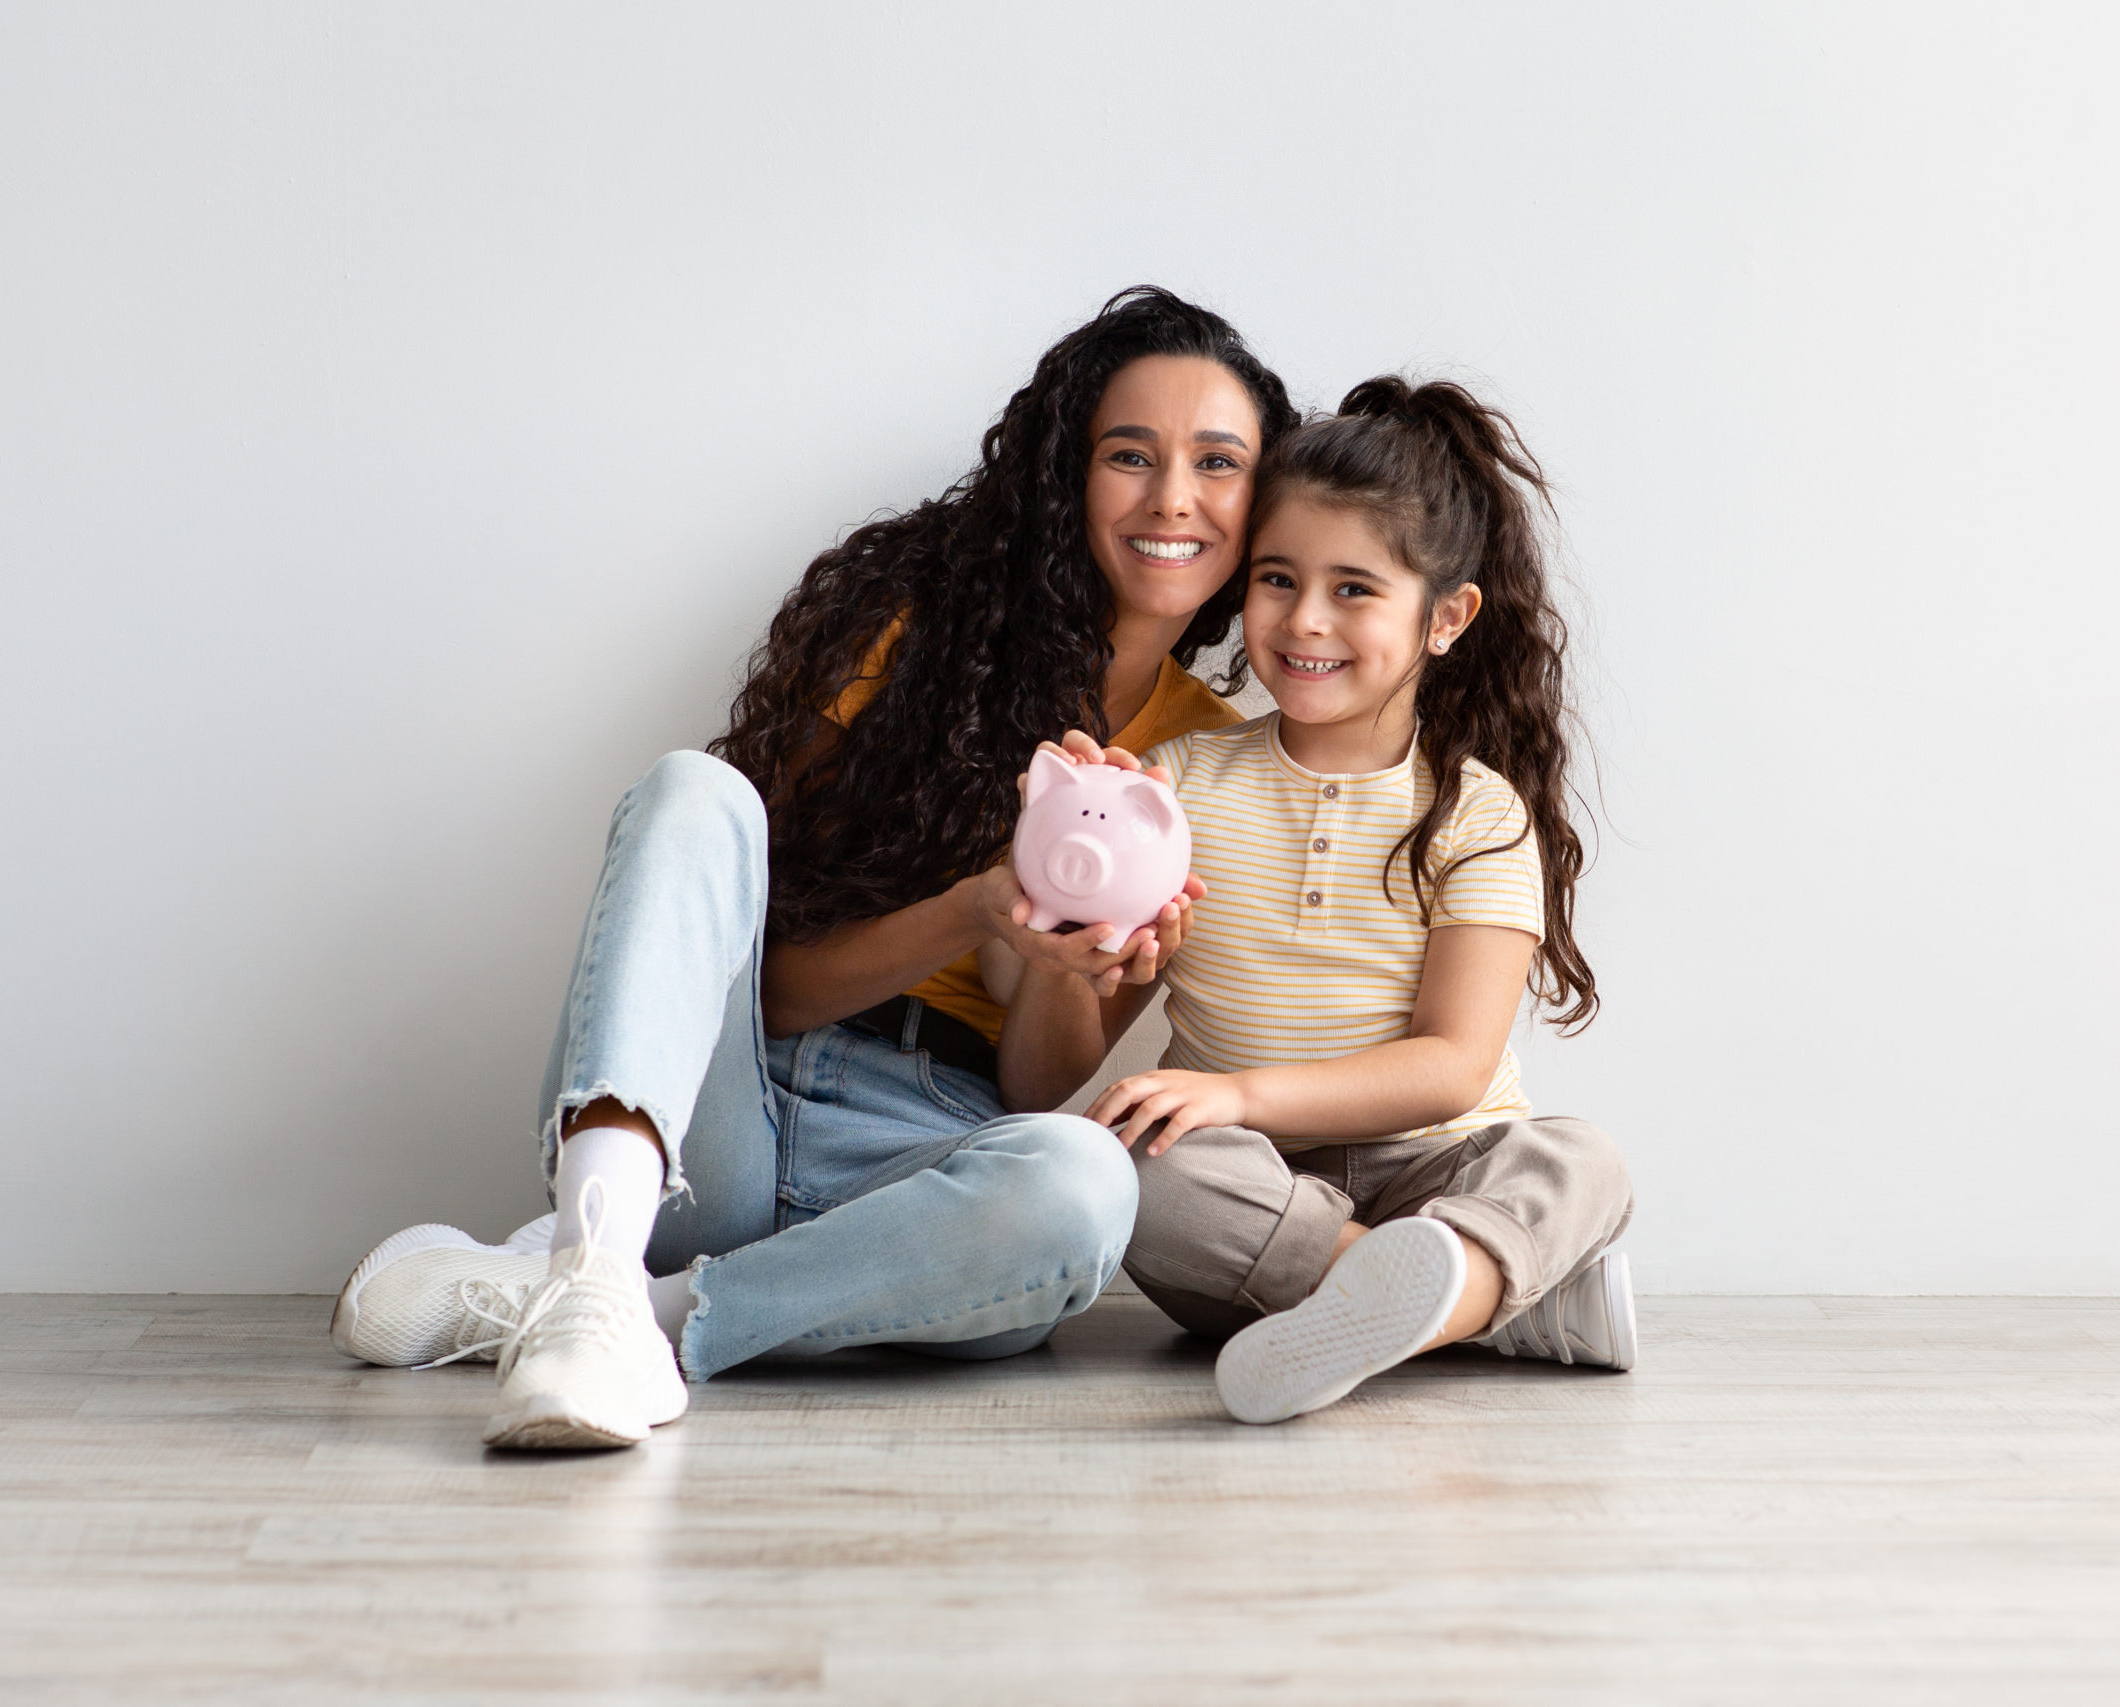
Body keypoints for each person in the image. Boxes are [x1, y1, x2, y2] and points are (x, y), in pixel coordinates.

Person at [329, 287, 1298, 1449]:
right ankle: (594, 1252)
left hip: (920, 1169)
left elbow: (1038, 1092)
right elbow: (773, 989)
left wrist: (1048, 960)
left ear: (1260, 502)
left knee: (1085, 1181)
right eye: (1129, 455)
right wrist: (976, 903)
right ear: (1064, 473)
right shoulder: (917, 626)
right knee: (697, 792)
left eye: (1218, 463)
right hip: (721, 1121)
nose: (1173, 499)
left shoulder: (1206, 771)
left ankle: (616, 1315)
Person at [995, 377, 1636, 1425]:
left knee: (1579, 1159)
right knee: (1125, 1170)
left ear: (1447, 617)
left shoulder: (1478, 813)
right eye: (1277, 579)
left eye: (1353, 589)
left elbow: (1452, 1067)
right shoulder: (1174, 787)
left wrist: (1241, 1091)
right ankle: (1487, 1307)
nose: (1303, 620)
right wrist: (1065, 941)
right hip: (1245, 1192)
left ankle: (1392, 1295)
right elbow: (1037, 1079)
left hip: (1438, 1168)